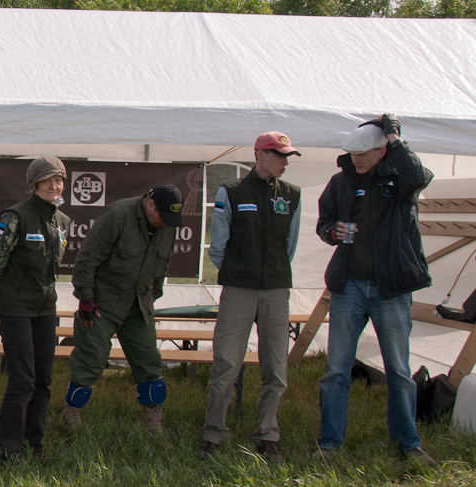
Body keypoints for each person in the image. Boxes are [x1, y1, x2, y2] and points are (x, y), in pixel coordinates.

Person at [315, 114, 436, 465]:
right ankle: (330, 444)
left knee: (399, 370)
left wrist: (397, 139)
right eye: (352, 152)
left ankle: (408, 444)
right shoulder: (340, 182)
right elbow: (324, 223)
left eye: (363, 152)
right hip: (348, 285)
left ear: (383, 151)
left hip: (392, 288)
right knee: (336, 369)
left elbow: (420, 176)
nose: (356, 158)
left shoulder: (402, 180)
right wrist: (331, 232)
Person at [199, 132, 302, 464]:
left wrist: (271, 274)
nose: (285, 161)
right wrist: (238, 273)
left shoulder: (292, 195)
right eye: (279, 155)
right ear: (259, 154)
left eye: (288, 156)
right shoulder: (231, 192)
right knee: (226, 363)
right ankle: (213, 432)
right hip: (238, 290)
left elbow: (290, 245)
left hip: (276, 290)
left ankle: (267, 435)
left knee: (276, 367)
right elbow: (218, 247)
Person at [61, 184, 183, 436]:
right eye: (162, 216)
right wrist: (85, 300)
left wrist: (153, 295)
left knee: (149, 362)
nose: (165, 223)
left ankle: (154, 426)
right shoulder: (117, 215)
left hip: (139, 305)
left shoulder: (167, 225)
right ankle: (71, 415)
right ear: (150, 204)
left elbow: (164, 265)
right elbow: (87, 258)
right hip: (102, 303)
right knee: (91, 359)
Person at [0, 156, 67, 461]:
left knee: (43, 380)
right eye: (48, 180)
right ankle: (6, 451)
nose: (54, 186)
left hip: (45, 310)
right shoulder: (15, 216)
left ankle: (34, 446)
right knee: (23, 379)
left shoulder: (61, 222)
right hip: (14, 309)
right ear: (35, 184)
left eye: (59, 180)